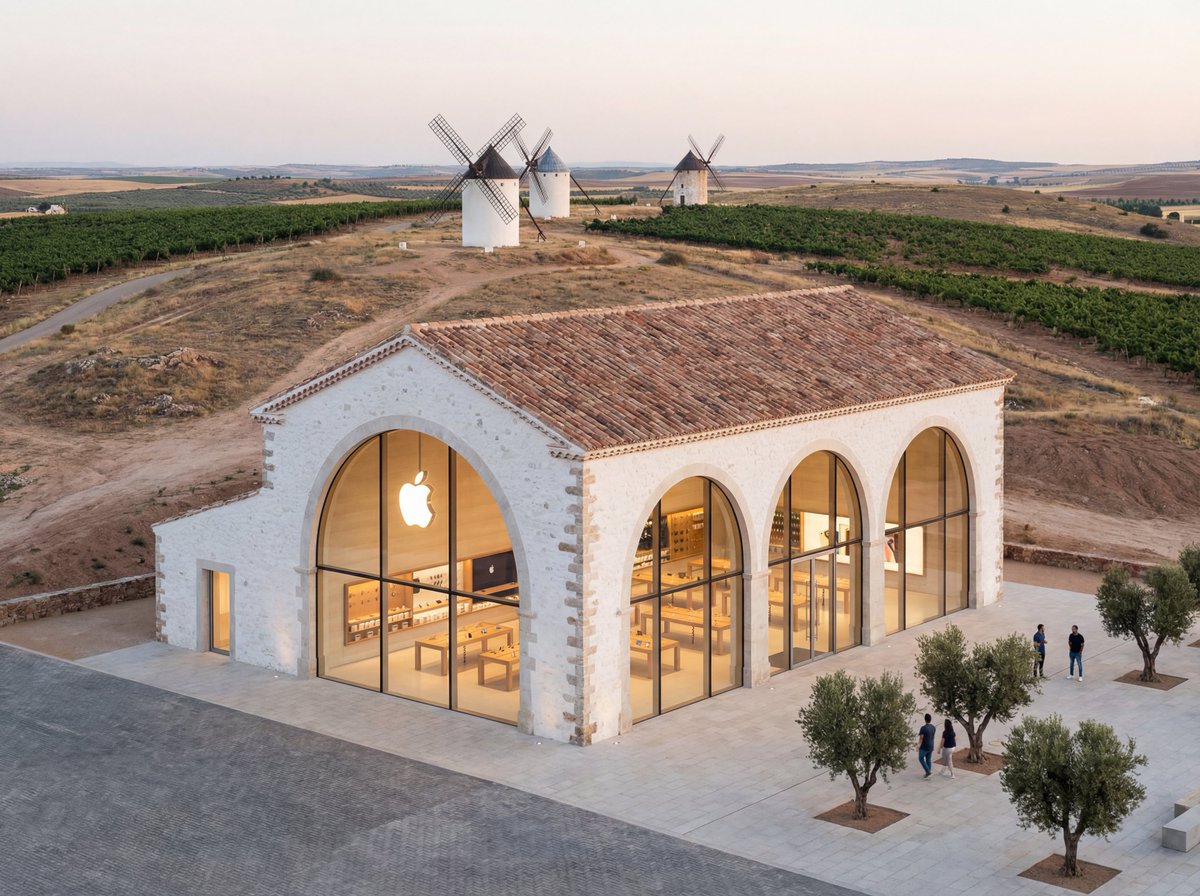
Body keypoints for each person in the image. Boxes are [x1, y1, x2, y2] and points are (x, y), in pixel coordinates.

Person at [917, 713, 937, 778]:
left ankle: (928, 771)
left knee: (920, 758)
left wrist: (918, 746)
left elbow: (921, 738)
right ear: (930, 719)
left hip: (924, 747)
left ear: (925, 719)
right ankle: (928, 773)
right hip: (931, 746)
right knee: (928, 760)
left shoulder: (923, 728)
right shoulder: (933, 727)